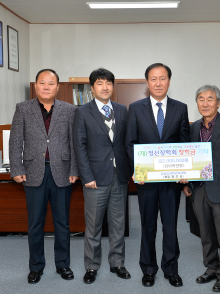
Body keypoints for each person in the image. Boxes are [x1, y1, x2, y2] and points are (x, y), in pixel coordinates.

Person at [9, 69, 79, 284]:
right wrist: (16, 168)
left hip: (62, 172)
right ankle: (36, 267)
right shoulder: (23, 108)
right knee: (35, 223)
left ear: (58, 87)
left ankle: (63, 264)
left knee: (62, 222)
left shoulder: (69, 110)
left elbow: (74, 142)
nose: (46, 87)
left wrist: (74, 170)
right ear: (36, 86)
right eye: (42, 83)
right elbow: (15, 141)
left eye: (51, 83)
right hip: (32, 172)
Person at [126, 63, 190, 287]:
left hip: (172, 181)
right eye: (153, 79)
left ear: (169, 81)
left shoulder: (180, 108)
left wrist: (185, 172)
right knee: (148, 226)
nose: (158, 83)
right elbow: (131, 143)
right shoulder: (135, 108)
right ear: (147, 83)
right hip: (147, 181)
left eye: (163, 78)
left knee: (170, 226)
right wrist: (137, 170)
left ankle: (171, 269)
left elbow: (184, 143)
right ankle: (148, 269)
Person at [72, 68, 131, 284]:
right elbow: (79, 146)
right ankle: (92, 266)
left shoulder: (122, 110)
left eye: (108, 83)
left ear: (113, 86)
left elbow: (126, 143)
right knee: (94, 225)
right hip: (94, 178)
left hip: (119, 176)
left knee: (118, 224)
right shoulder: (83, 112)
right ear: (92, 88)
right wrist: (86, 176)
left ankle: (117, 263)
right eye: (99, 83)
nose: (104, 87)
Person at [182, 85, 220, 292]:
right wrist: (187, 184)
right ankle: (211, 268)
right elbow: (189, 158)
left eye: (210, 99)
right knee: (205, 233)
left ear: (218, 102)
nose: (205, 103)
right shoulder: (193, 127)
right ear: (197, 103)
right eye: (201, 99)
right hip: (199, 189)